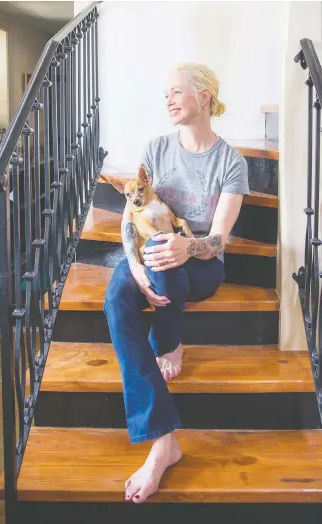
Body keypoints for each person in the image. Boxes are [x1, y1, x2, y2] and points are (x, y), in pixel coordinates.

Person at [103, 62, 249, 504]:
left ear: (203, 95)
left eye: (175, 92)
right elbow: (131, 222)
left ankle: (168, 341)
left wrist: (190, 247)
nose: (167, 100)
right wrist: (134, 266)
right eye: (164, 94)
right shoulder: (157, 149)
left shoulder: (230, 161)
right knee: (116, 299)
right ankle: (163, 440)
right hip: (153, 254)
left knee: (171, 257)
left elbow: (220, 236)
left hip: (202, 265)